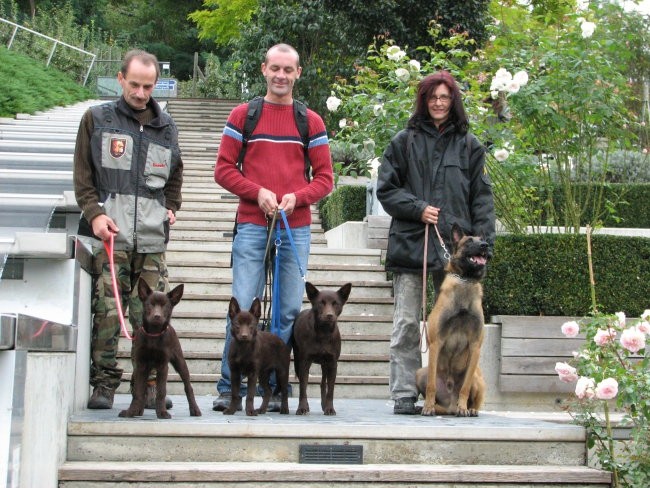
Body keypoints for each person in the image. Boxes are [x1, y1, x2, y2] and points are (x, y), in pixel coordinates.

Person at [212, 43, 334, 412]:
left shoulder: (310, 121)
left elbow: (326, 178)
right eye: (275, 68)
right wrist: (257, 192)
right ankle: (228, 387)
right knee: (241, 308)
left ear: (298, 74)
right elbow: (223, 169)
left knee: (286, 313)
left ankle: (273, 387)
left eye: (288, 70)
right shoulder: (241, 115)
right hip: (251, 224)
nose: (281, 76)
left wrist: (298, 196)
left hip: (293, 227)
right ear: (264, 69)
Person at [376, 71, 495, 415]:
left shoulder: (470, 145)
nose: (439, 103)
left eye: (445, 97)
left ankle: (457, 391)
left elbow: (482, 197)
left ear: (453, 101)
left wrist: (484, 244)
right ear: (424, 101)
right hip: (413, 243)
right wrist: (417, 208)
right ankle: (402, 393)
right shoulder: (404, 141)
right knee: (407, 322)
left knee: (464, 328)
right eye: (432, 98)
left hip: (456, 254)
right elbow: (386, 188)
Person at [73, 49, 184, 409]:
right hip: (112, 233)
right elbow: (83, 176)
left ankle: (151, 387)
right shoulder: (97, 119)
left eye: (148, 86)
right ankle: (105, 383)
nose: (140, 92)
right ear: (121, 79)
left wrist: (172, 206)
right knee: (107, 311)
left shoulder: (166, 127)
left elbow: (176, 173)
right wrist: (93, 213)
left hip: (152, 239)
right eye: (134, 84)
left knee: (152, 316)